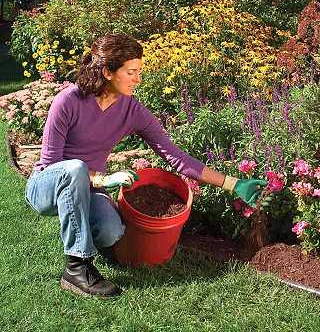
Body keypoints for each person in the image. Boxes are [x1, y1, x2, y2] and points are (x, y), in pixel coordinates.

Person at [25, 33, 266, 299]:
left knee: (111, 231)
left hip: (89, 188)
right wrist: (102, 180)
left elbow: (175, 156)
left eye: (138, 71)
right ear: (107, 71)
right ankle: (76, 268)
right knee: (75, 169)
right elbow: (51, 165)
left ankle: (89, 238)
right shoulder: (68, 101)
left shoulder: (132, 111)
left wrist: (232, 183)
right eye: (131, 72)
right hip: (46, 186)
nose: (138, 79)